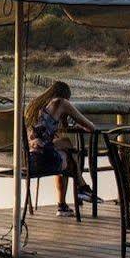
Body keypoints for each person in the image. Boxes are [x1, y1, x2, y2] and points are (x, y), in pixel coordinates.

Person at [23, 81, 98, 214]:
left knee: (65, 146)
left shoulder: (36, 105)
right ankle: (81, 189)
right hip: (42, 160)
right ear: (65, 96)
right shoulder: (61, 102)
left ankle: (66, 202)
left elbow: (43, 134)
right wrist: (89, 126)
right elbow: (90, 126)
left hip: (26, 160)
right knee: (68, 152)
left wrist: (65, 124)